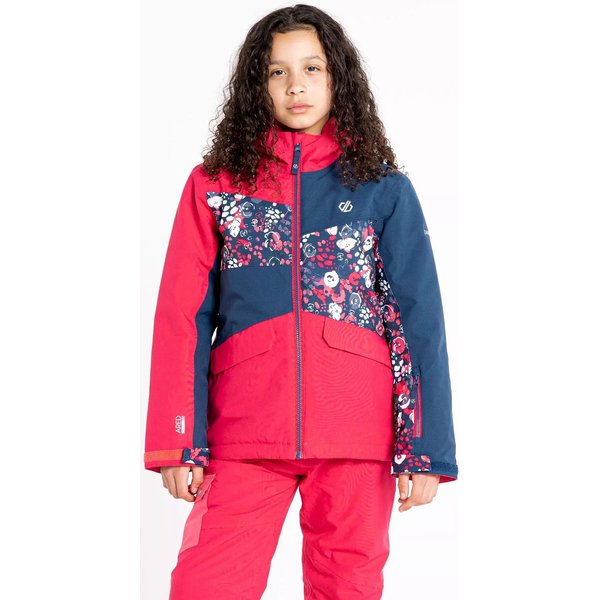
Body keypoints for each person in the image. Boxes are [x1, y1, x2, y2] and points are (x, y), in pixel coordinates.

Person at [143, 4, 459, 598]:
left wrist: (424, 445)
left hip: (357, 434)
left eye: (312, 68)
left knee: (348, 586)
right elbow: (182, 316)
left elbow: (418, 322)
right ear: (256, 84)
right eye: (277, 71)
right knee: (206, 583)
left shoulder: (382, 188)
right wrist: (177, 438)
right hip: (242, 432)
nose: (296, 86)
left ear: (337, 77)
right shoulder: (215, 185)